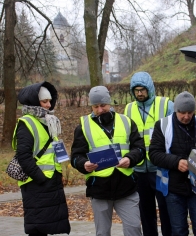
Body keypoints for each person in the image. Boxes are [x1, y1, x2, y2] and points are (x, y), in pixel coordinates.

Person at [71, 85, 145, 236]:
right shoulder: (83, 127)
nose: (99, 110)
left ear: (110, 103)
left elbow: (140, 149)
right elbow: (75, 156)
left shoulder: (126, 122)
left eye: (103, 105)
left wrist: (130, 159)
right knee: (103, 232)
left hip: (126, 187)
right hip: (99, 189)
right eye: (95, 106)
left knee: (134, 229)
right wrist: (83, 164)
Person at [149, 91, 196, 236]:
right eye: (182, 113)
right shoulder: (163, 125)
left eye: (190, 112)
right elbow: (154, 154)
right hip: (173, 187)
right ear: (175, 110)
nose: (186, 116)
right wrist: (176, 162)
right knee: (178, 230)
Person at [13, 81, 70, 236]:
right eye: (44, 101)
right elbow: (24, 156)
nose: (48, 105)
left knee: (51, 226)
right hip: (37, 184)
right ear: (34, 102)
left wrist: (62, 172)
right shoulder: (27, 123)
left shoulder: (49, 121)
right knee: (38, 228)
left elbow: (56, 149)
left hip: (52, 183)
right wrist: (41, 178)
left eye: (50, 101)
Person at [124, 71, 173, 236]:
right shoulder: (129, 108)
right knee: (145, 213)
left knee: (166, 210)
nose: (139, 93)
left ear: (150, 88)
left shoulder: (165, 104)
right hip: (139, 170)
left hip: (161, 168)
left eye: (142, 89)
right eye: (136, 90)